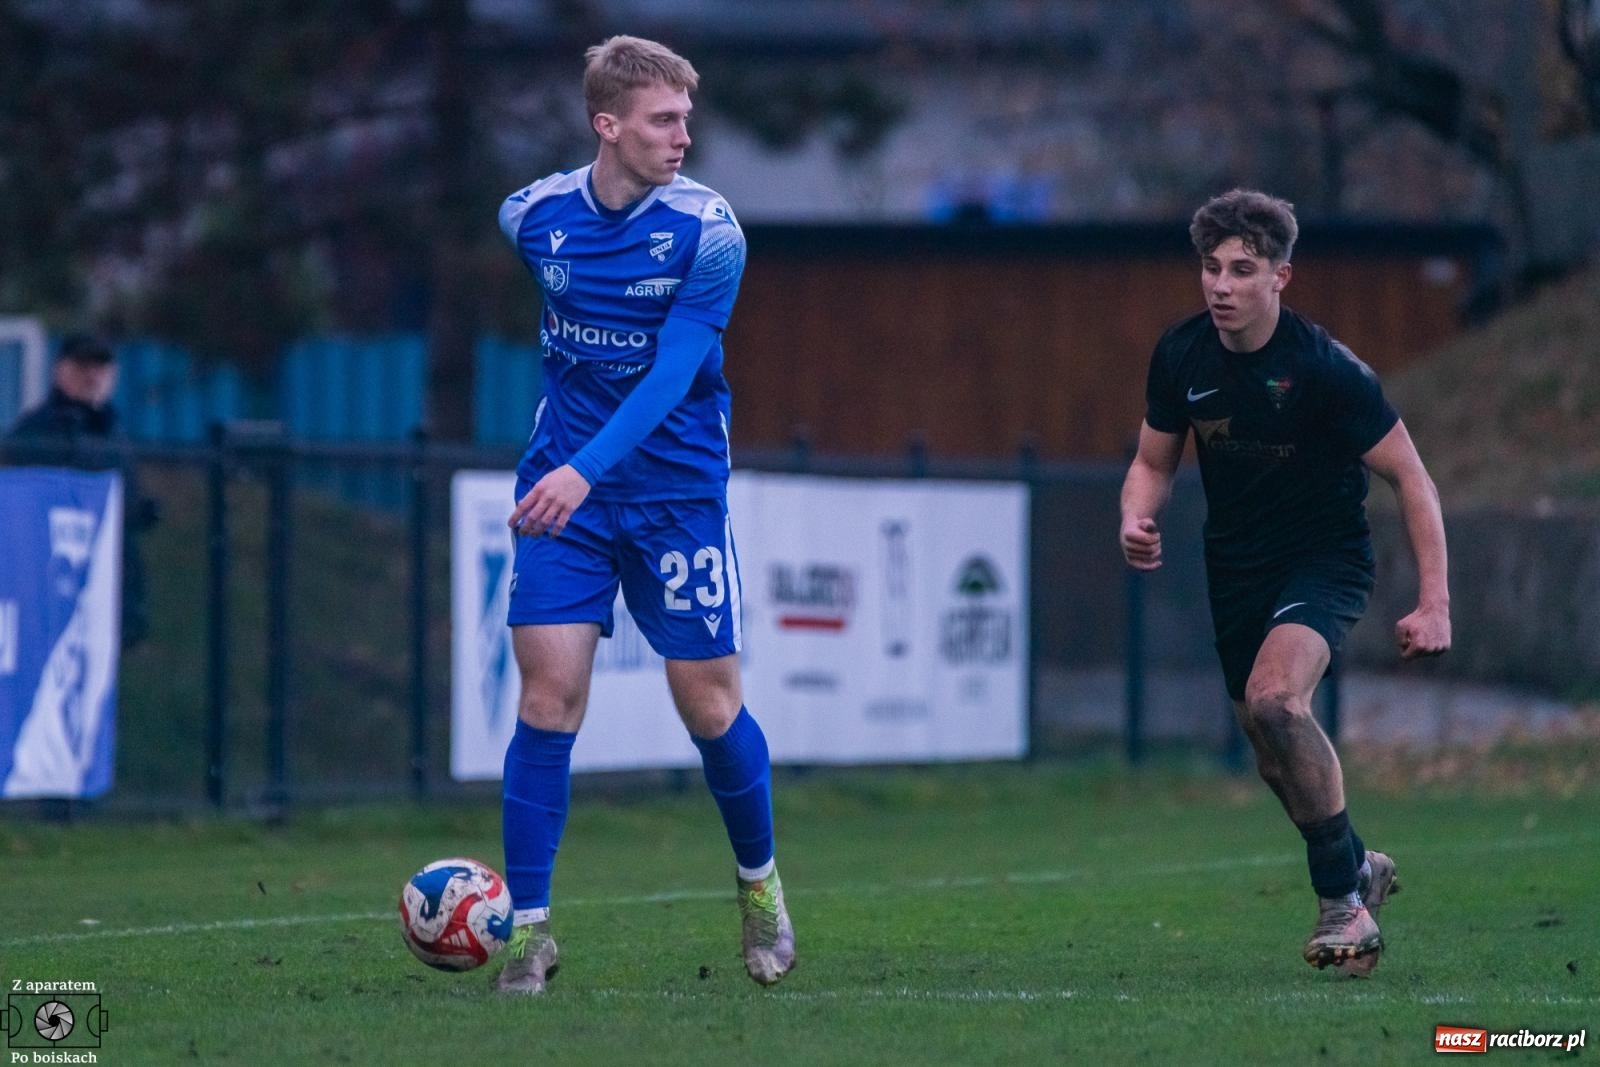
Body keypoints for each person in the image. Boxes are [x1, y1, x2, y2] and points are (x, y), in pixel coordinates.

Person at [491, 36, 794, 995]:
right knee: (548, 699)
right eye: (664, 120)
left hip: (674, 495)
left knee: (708, 703)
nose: (683, 137)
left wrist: (585, 468)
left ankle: (759, 886)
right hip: (565, 495)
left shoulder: (711, 232)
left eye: (685, 119)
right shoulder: (531, 217)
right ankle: (526, 933)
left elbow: (672, 375)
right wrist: (572, 473)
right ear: (607, 125)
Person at [1118, 189, 1451, 976]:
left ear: (1281, 277)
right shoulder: (1180, 355)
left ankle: (1342, 903)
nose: (1220, 285)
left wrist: (1435, 601)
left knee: (1277, 698)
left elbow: (1412, 477)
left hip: (1323, 558)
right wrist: (1136, 516)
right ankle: (1359, 865)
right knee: (1271, 750)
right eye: (1210, 267)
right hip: (1235, 565)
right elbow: (1152, 461)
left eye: (1242, 269)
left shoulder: (1324, 368)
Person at [5, 333, 154, 649]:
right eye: (83, 365)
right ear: (61, 370)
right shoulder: (37, 433)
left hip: (106, 589)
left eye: (101, 367)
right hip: (51, 591)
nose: (93, 376)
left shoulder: (113, 435)